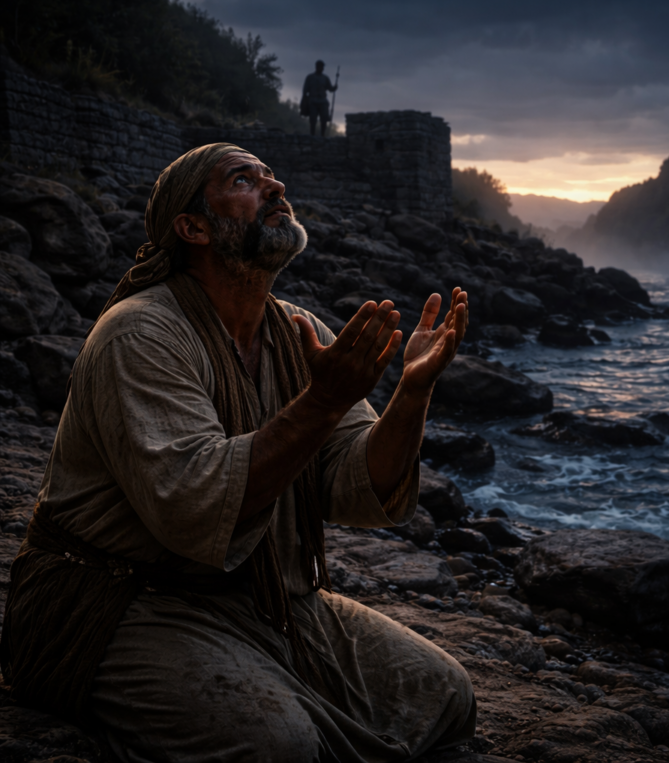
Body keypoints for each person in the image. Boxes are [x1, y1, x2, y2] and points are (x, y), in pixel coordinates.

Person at [0, 142, 475, 762]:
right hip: (120, 603)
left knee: (445, 695)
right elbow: (195, 506)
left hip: (261, 600)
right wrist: (323, 400)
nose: (275, 188)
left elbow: (356, 486)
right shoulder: (140, 333)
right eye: (244, 180)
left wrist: (412, 394)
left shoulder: (296, 329)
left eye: (273, 178)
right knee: (281, 747)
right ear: (192, 227)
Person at [302, 60, 337, 136]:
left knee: (324, 119)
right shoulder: (310, 77)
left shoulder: (325, 78)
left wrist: (334, 87)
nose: (322, 68)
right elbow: (305, 91)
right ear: (317, 67)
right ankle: (312, 135)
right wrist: (304, 101)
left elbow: (330, 88)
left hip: (323, 101)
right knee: (313, 119)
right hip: (313, 101)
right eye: (320, 66)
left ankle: (322, 135)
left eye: (322, 67)